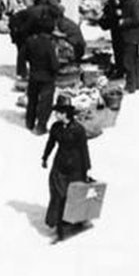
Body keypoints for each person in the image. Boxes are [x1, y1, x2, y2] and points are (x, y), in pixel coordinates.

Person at [42, 98, 92, 242]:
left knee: (71, 196)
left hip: (75, 167)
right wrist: (45, 157)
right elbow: (51, 143)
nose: (56, 115)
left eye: (58, 112)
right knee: (57, 195)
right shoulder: (56, 127)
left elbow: (84, 149)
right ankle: (59, 227)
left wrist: (86, 169)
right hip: (59, 165)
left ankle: (72, 222)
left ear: (65, 113)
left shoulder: (78, 129)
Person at [23, 17, 59, 134]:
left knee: (32, 99)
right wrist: (56, 71)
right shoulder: (49, 44)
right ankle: (41, 126)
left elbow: (25, 56)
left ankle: (29, 122)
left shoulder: (30, 41)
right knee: (45, 102)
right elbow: (53, 62)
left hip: (34, 74)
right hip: (47, 77)